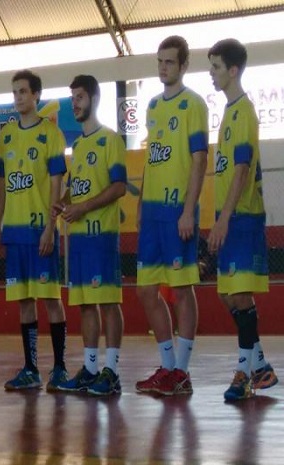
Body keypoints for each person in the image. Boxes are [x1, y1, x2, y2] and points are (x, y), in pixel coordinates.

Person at [135, 36, 208, 396]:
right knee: (146, 290)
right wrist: (139, 204)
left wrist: (188, 210)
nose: (163, 67)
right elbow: (152, 157)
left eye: (169, 62)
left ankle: (181, 370)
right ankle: (166, 366)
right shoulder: (152, 106)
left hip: (177, 211)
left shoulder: (193, 104)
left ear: (183, 65)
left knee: (181, 288)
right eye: (159, 61)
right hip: (151, 214)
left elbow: (199, 161)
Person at [207, 38, 278, 401]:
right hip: (229, 216)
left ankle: (244, 373)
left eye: (216, 67)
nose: (212, 74)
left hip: (243, 216)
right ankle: (260, 365)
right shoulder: (228, 113)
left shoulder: (245, 111)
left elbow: (241, 169)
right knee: (226, 293)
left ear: (233, 70)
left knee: (239, 292)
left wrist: (225, 219)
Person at [0, 70, 69, 392]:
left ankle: (61, 367)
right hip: (15, 232)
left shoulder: (52, 135)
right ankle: (30, 368)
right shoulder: (6, 136)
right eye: (15, 92)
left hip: (41, 232)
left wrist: (51, 228)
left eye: (23, 91)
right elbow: (2, 187)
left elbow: (57, 185)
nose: (18, 97)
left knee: (50, 298)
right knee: (23, 301)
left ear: (36, 95)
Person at [53, 75, 127, 396]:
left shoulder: (110, 139)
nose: (75, 103)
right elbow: (78, 187)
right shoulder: (79, 145)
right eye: (72, 98)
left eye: (80, 97)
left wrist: (83, 207)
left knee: (108, 301)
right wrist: (65, 202)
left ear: (94, 98)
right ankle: (90, 368)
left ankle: (111, 371)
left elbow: (118, 187)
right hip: (78, 240)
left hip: (101, 235)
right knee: (84, 304)